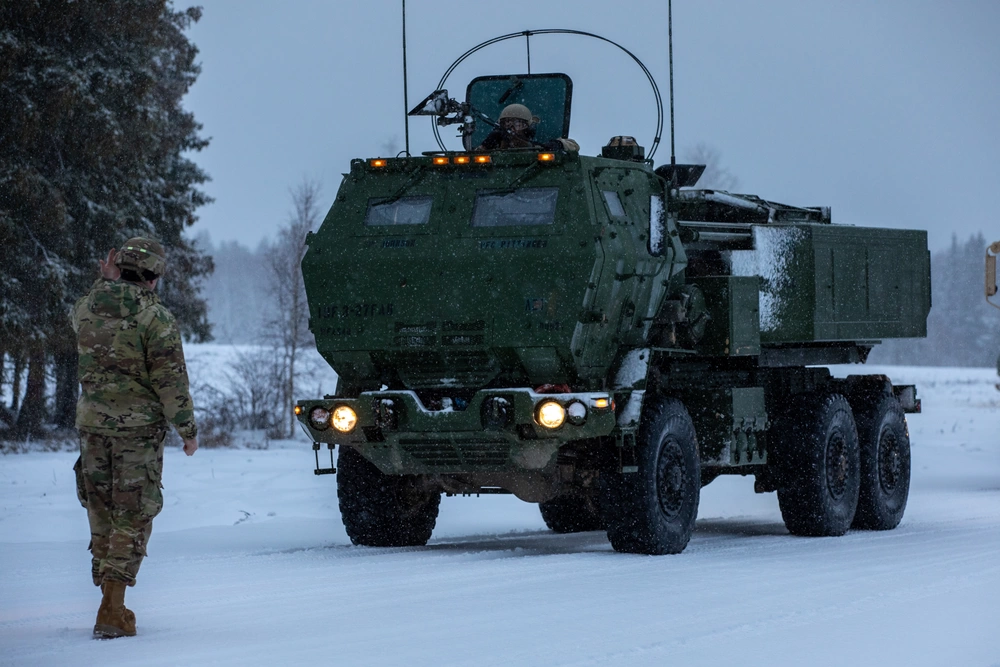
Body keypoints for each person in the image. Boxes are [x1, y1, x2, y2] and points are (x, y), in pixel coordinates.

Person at [72, 237, 198, 639]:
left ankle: (108, 598)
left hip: (92, 428)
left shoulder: (88, 306)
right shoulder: (155, 318)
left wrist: (103, 284)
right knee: (132, 513)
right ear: (154, 276)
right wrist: (188, 430)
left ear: (117, 266)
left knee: (101, 511)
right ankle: (112, 607)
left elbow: (81, 317)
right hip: (137, 433)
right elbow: (170, 381)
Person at [475, 103, 580, 152]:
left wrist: (557, 144)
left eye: (517, 124)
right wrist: (486, 146)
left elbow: (573, 145)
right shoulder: (494, 146)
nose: (511, 128)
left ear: (527, 126)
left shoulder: (537, 145)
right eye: (507, 123)